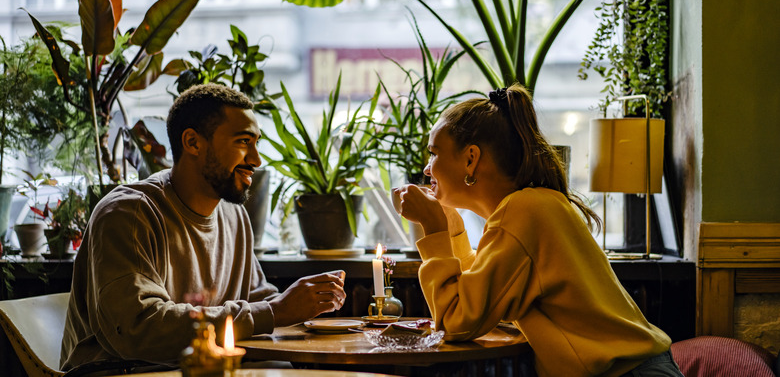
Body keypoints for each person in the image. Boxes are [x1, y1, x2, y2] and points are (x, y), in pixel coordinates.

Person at [393, 85, 684, 377]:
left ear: (471, 159)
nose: (427, 169)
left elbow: (457, 322)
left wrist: (433, 229)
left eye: (433, 154)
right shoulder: (534, 204)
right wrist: (453, 228)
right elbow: (483, 300)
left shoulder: (523, 211)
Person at [61, 84, 346, 373]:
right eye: (243, 142)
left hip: (205, 368)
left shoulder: (234, 215)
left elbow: (258, 302)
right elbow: (138, 329)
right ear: (193, 143)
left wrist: (306, 307)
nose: (256, 160)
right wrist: (275, 311)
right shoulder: (128, 213)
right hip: (125, 371)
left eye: (256, 143)